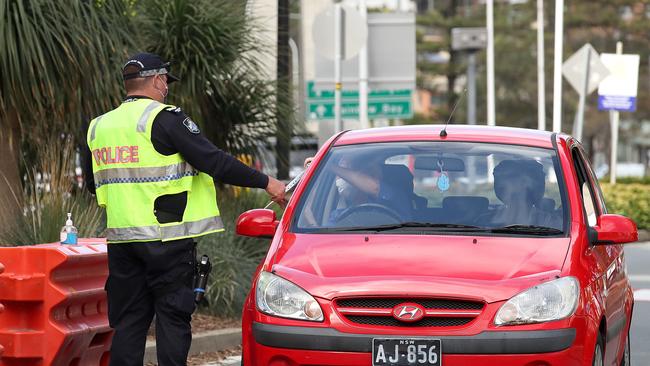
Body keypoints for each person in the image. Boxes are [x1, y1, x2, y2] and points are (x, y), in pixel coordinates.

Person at [82, 53, 286, 366]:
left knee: (129, 324)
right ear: (155, 80)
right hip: (167, 240)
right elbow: (214, 161)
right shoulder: (165, 119)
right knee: (173, 319)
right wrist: (266, 182)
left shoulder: (98, 127)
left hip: (123, 242)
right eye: (165, 80)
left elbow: (92, 186)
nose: (166, 87)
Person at [486, 159, 561, 228]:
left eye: (510, 177)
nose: (500, 184)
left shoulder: (549, 223)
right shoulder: (549, 223)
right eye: (498, 178)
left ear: (525, 183)